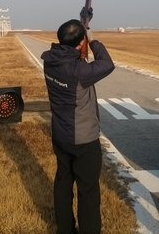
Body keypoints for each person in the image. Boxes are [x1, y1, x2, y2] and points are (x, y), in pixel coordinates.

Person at [41, 18, 115, 234]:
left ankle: (65, 229)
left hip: (61, 135)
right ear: (79, 42)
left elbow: (72, 58)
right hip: (84, 140)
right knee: (88, 191)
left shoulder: (50, 61)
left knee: (63, 183)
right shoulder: (79, 72)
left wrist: (80, 42)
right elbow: (107, 64)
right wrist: (91, 39)